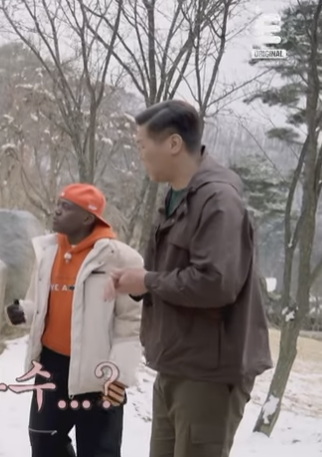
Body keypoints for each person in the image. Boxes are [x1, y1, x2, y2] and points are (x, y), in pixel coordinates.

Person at [110, 100, 272, 457]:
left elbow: (216, 282)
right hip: (176, 362)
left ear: (173, 144)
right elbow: (171, 271)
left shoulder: (219, 200)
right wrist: (137, 283)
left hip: (208, 372)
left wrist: (148, 281)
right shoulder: (175, 196)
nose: (140, 154)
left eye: (142, 145)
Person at [6, 183, 144, 457]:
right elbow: (40, 302)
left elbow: (131, 325)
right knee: (44, 443)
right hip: (51, 367)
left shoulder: (122, 259)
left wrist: (117, 377)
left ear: (87, 217)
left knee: (99, 452)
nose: (57, 210)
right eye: (58, 204)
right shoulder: (47, 252)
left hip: (99, 376)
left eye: (66, 207)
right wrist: (25, 312)